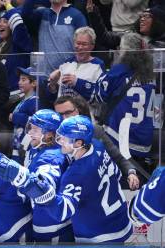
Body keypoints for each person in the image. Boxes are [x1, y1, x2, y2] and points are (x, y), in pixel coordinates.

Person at [0, 115, 133, 243]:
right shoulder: (97, 146)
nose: (59, 141)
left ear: (79, 143)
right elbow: (117, 174)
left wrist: (30, 184)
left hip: (98, 237)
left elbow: (61, 211)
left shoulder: (76, 174)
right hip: (122, 222)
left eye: (65, 138)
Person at [73, 33, 156, 173]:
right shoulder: (150, 75)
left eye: (121, 47)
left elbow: (96, 96)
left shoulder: (119, 71)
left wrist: (77, 82)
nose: (119, 50)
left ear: (126, 51)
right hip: (144, 141)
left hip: (121, 138)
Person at [1, 109, 74, 242]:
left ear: (49, 134)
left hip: (53, 227)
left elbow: (43, 186)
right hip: (43, 219)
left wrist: (20, 178)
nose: (29, 133)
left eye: (35, 130)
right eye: (30, 128)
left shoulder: (51, 157)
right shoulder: (37, 148)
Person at [53, 95, 140, 190]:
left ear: (77, 111)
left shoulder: (95, 131)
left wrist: (131, 173)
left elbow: (118, 157)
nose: (64, 118)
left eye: (68, 113)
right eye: (59, 115)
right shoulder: (51, 138)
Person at [21, 0, 87, 74]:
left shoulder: (77, 15)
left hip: (67, 75)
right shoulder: (42, 13)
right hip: (43, 76)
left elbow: (84, 46)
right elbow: (25, 15)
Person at [47, 27, 104, 100]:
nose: (80, 47)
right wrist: (52, 84)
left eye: (84, 44)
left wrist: (77, 83)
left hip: (85, 111)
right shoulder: (66, 63)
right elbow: (52, 98)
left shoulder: (98, 65)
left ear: (92, 46)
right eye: (78, 43)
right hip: (62, 110)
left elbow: (101, 94)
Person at [10, 67, 38, 161]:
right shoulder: (22, 100)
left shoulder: (35, 101)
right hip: (17, 144)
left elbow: (36, 122)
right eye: (19, 80)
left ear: (34, 83)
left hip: (25, 147)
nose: (19, 83)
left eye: (23, 80)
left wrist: (15, 117)